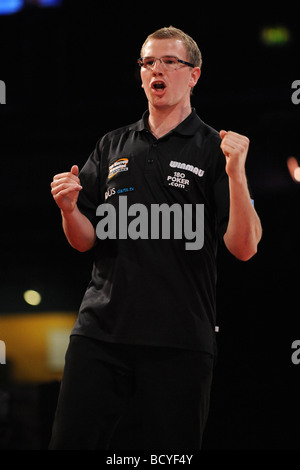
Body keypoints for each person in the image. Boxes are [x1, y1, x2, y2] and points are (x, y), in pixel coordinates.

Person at [49, 26, 262, 450]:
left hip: (179, 339)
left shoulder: (213, 149)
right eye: (148, 62)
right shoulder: (112, 145)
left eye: (169, 61)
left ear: (194, 75)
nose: (156, 70)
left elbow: (244, 246)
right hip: (100, 334)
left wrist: (237, 174)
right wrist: (69, 209)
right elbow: (84, 241)